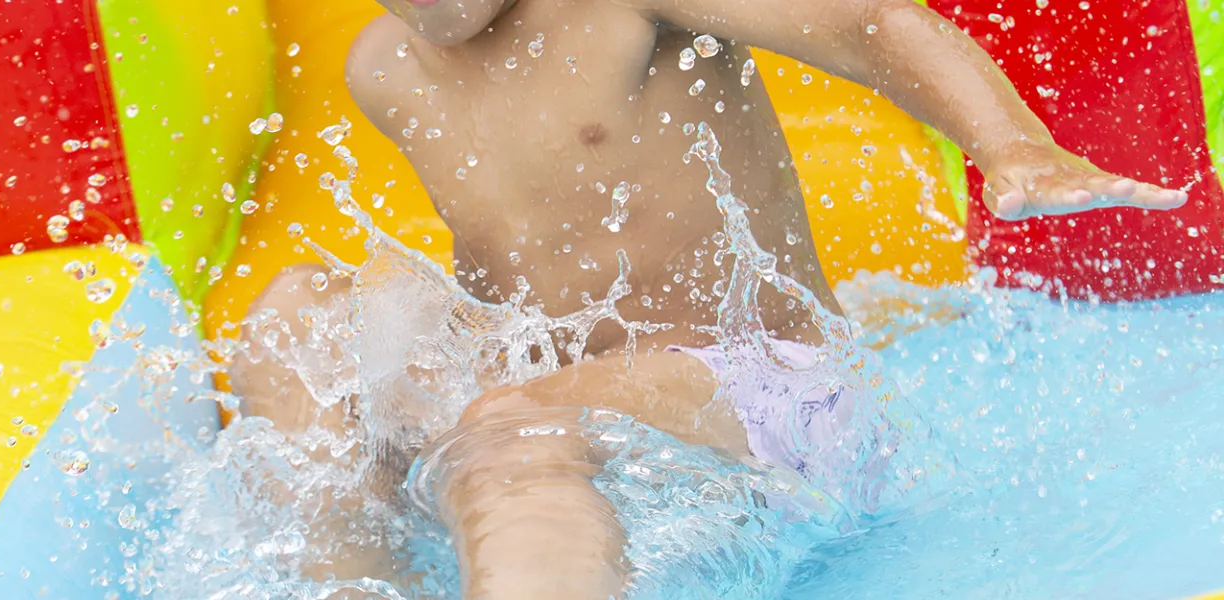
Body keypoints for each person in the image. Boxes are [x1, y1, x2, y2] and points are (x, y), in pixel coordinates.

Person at [230, 0, 1187, 597]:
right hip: (575, 405)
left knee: (507, 433)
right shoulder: (380, 69)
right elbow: (519, 273)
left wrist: (1009, 144)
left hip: (775, 398)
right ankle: (353, 585)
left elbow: (869, 22)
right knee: (293, 317)